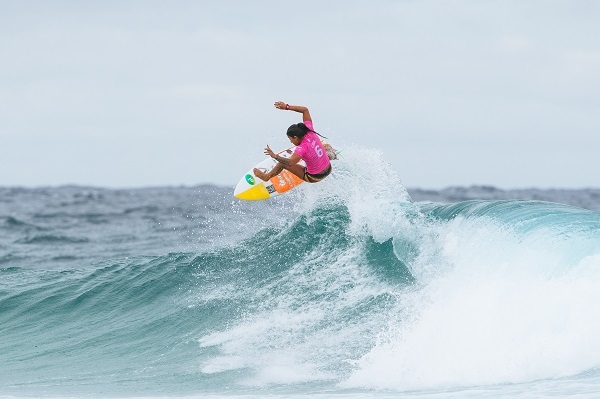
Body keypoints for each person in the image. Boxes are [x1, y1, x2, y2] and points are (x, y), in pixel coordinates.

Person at [253, 101, 332, 184]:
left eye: (290, 139)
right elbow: (305, 110)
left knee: (282, 164)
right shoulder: (310, 131)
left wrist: (275, 156)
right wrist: (287, 107)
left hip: (314, 177)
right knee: (326, 146)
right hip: (329, 168)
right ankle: (332, 155)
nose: (291, 141)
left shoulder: (301, 148)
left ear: (295, 137)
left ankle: (266, 177)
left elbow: (290, 163)